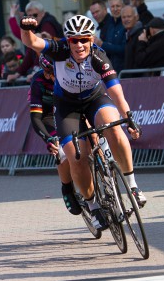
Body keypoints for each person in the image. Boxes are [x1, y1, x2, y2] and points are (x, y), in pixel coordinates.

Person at [19, 14, 145, 231]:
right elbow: (33, 42)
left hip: (94, 99)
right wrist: (25, 29)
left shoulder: (99, 57)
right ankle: (93, 205)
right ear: (68, 41)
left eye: (84, 39)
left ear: (92, 39)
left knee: (114, 128)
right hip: (67, 107)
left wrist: (129, 119)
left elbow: (116, 92)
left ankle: (132, 186)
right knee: (77, 156)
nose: (79, 45)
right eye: (74, 40)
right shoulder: (59, 50)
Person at [28, 54, 81, 215]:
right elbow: (36, 118)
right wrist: (48, 139)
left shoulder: (70, 73)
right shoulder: (38, 82)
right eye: (48, 73)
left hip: (72, 110)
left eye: (54, 73)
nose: (51, 77)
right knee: (61, 150)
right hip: (50, 116)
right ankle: (67, 188)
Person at [94, 0, 127, 73]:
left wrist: (102, 44)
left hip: (124, 71)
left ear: (123, 6)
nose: (115, 9)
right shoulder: (109, 25)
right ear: (109, 8)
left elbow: (124, 49)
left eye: (118, 6)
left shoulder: (126, 24)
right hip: (112, 70)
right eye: (112, 6)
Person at [121, 5, 144, 71]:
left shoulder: (141, 35)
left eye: (129, 16)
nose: (126, 19)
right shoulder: (128, 34)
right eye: (123, 17)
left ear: (136, 17)